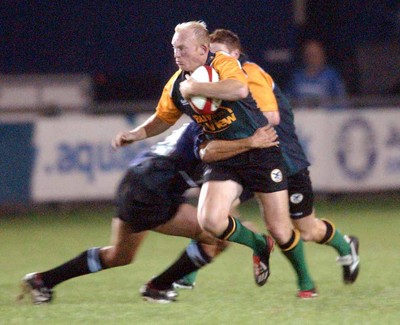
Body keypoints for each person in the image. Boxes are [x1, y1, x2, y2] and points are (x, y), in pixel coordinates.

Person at [113, 21, 316, 299]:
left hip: (261, 153)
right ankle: (258, 244)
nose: (176, 54)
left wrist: (197, 88)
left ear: (202, 49)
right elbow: (163, 117)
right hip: (225, 156)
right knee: (210, 221)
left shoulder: (222, 63)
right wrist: (136, 134)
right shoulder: (176, 84)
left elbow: (238, 90)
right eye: (174, 48)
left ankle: (306, 284)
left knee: (282, 229)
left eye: (182, 48)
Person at [168, 29, 360, 297]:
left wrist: (225, 110)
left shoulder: (249, 73)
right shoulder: (214, 78)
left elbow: (270, 116)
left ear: (236, 55)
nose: (213, 60)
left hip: (284, 160)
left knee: (303, 229)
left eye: (219, 54)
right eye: (211, 54)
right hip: (246, 158)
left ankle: (344, 245)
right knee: (214, 213)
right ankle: (188, 274)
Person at [18, 122, 278, 304]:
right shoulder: (215, 129)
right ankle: (158, 287)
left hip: (139, 180)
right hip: (152, 188)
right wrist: (250, 143)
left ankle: (42, 280)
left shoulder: (213, 124)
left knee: (120, 256)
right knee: (217, 237)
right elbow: (208, 162)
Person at [287, 39, 347, 108]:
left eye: (315, 55)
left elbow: (341, 100)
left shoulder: (332, 76)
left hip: (326, 116)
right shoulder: (297, 77)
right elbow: (288, 99)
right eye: (309, 55)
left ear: (322, 55)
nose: (312, 58)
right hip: (302, 116)